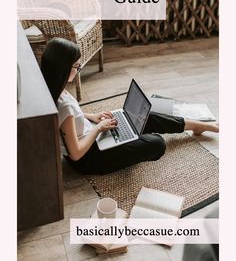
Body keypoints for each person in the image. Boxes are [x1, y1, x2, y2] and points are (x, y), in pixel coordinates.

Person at [41, 38, 219, 175]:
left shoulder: (52, 88)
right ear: (63, 68)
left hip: (90, 135)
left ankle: (197, 125)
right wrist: (99, 129)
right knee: (157, 143)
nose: (78, 69)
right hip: (90, 158)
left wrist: (92, 117)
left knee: (144, 116)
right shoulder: (63, 105)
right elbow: (76, 154)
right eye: (76, 66)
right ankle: (131, 136)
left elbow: (69, 117)